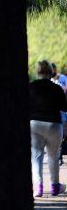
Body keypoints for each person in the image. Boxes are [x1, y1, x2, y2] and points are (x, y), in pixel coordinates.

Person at [29, 60, 67, 197]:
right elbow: (64, 107)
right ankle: (55, 186)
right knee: (53, 156)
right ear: (52, 72)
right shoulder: (56, 88)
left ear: (38, 72)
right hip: (53, 125)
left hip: (34, 124)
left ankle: (38, 188)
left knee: (36, 157)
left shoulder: (31, 87)